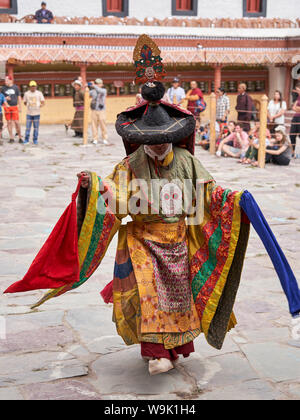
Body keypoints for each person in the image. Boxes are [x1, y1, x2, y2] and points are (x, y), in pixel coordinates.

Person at [6, 35, 300, 377]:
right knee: (149, 296)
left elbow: (209, 194)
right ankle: (157, 352)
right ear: (140, 140)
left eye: (162, 142)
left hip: (177, 239)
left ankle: (172, 350)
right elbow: (113, 194)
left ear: (171, 138)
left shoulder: (188, 161)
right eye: (150, 143)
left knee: (178, 298)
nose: (157, 148)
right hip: (142, 239)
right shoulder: (131, 164)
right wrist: (91, 184)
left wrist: (236, 201)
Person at [1, 76, 23, 144]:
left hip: (14, 107)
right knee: (9, 122)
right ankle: (11, 138)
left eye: (7, 80)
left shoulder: (15, 87)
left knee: (16, 122)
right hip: (7, 107)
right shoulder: (3, 88)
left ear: (11, 80)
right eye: (5, 81)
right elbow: (2, 96)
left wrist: (20, 106)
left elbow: (19, 97)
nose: (5, 82)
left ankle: (20, 137)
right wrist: (5, 98)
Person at [23, 81, 45, 145]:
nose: (33, 87)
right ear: (29, 87)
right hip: (29, 113)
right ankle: (26, 139)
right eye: (32, 86)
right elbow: (24, 102)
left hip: (37, 113)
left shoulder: (39, 93)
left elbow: (43, 102)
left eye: (34, 86)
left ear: (36, 86)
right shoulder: (26, 93)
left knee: (36, 127)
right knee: (28, 127)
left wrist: (40, 105)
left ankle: (35, 140)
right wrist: (28, 104)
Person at [89, 79, 108, 145]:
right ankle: (95, 139)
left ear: (102, 84)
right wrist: (86, 85)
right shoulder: (93, 91)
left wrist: (94, 85)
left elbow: (99, 90)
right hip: (94, 110)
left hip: (101, 110)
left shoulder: (104, 90)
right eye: (96, 83)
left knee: (103, 125)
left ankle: (104, 138)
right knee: (94, 125)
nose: (97, 85)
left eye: (99, 83)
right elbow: (86, 93)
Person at [290, 81, 300, 157]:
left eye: (298, 90)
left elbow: (296, 107)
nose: (297, 91)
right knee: (292, 135)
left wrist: (296, 108)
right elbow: (293, 107)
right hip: (295, 117)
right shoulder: (297, 97)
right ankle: (292, 152)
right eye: (296, 90)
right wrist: (297, 108)